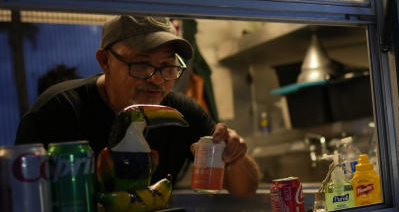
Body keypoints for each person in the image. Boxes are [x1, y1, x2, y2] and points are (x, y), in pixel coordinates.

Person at [15, 15, 259, 197]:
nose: (156, 79)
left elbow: (244, 190)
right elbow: (22, 200)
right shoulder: (58, 111)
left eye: (167, 66)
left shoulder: (182, 113)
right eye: (141, 65)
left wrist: (234, 155)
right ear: (105, 61)